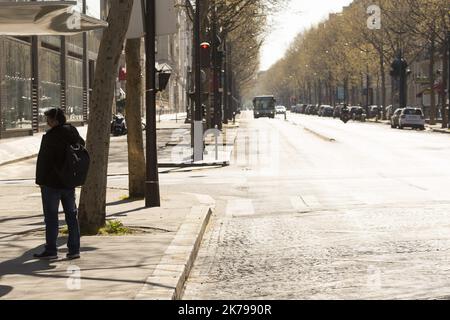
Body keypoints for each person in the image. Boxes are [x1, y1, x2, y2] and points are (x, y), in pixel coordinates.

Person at [34, 108, 84, 260]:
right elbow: (81, 147)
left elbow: (44, 161)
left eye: (49, 119)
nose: (47, 122)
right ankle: (74, 249)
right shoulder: (72, 131)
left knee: (51, 217)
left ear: (55, 120)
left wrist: (40, 181)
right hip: (69, 182)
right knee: (71, 216)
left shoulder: (50, 137)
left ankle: (51, 250)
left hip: (51, 183)